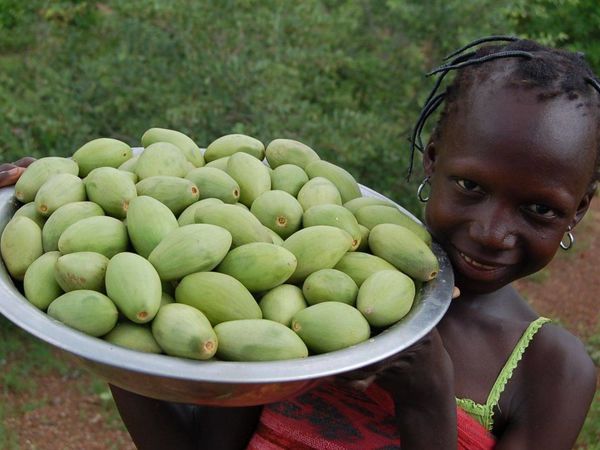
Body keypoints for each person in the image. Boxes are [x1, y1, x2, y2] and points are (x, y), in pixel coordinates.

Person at [2, 36, 597, 449]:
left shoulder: (552, 372)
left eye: (539, 208)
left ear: (580, 210)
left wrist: (425, 400)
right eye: (469, 185)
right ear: (432, 160)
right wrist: (79, 203)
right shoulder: (313, 282)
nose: (492, 231)